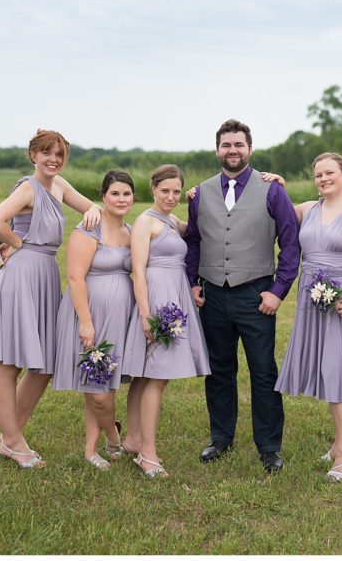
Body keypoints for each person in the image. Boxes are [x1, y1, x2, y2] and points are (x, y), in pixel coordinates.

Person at [183, 118, 300, 473]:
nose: (232, 150)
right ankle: (221, 438)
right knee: (219, 370)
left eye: (238, 145)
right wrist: (192, 282)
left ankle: (268, 446)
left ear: (249, 149)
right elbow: (193, 242)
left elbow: (290, 243)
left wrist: (278, 291)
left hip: (255, 294)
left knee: (263, 371)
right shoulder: (200, 192)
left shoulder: (272, 190)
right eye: (226, 145)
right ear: (217, 149)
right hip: (214, 295)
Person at [0, 129, 101, 468]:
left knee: (44, 364)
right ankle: (14, 443)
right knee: (10, 362)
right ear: (33, 155)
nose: (54, 159)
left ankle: (10, 436)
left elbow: (90, 205)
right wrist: (18, 243)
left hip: (45, 276)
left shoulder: (60, 186)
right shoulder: (27, 188)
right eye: (47, 152)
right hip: (21, 275)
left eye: (59, 154)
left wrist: (93, 211)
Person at [274, 153, 342, 481]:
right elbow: (274, 215)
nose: (323, 179)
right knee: (327, 370)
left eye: (329, 173)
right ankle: (339, 444)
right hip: (313, 298)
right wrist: (275, 186)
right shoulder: (308, 209)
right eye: (318, 174)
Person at [119, 165, 210, 478]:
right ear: (153, 189)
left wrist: (198, 199)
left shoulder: (171, 220)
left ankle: (132, 439)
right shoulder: (145, 222)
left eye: (176, 191)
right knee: (156, 376)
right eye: (164, 191)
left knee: (147, 377)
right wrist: (146, 314)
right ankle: (147, 454)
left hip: (177, 292)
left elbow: (198, 229)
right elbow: (138, 271)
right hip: (157, 297)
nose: (170, 197)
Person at [51, 170, 135, 470]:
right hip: (89, 314)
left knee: (101, 385)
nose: (121, 199)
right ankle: (113, 437)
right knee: (96, 390)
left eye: (127, 193)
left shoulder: (132, 231)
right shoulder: (89, 228)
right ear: (103, 197)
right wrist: (85, 323)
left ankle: (90, 450)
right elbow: (75, 277)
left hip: (120, 316)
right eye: (115, 193)